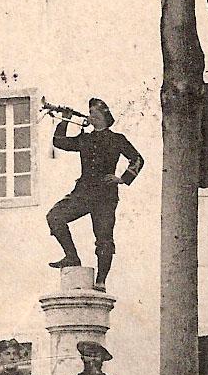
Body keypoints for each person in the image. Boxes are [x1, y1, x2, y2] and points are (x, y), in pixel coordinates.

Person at [47, 97, 144, 291]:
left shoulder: (117, 139)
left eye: (93, 113)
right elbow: (59, 143)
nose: (90, 116)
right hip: (83, 193)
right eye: (90, 113)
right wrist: (64, 120)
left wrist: (123, 179)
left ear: (102, 117)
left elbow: (138, 159)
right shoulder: (85, 139)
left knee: (104, 239)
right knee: (54, 217)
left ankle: (101, 281)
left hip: (105, 196)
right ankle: (72, 257)